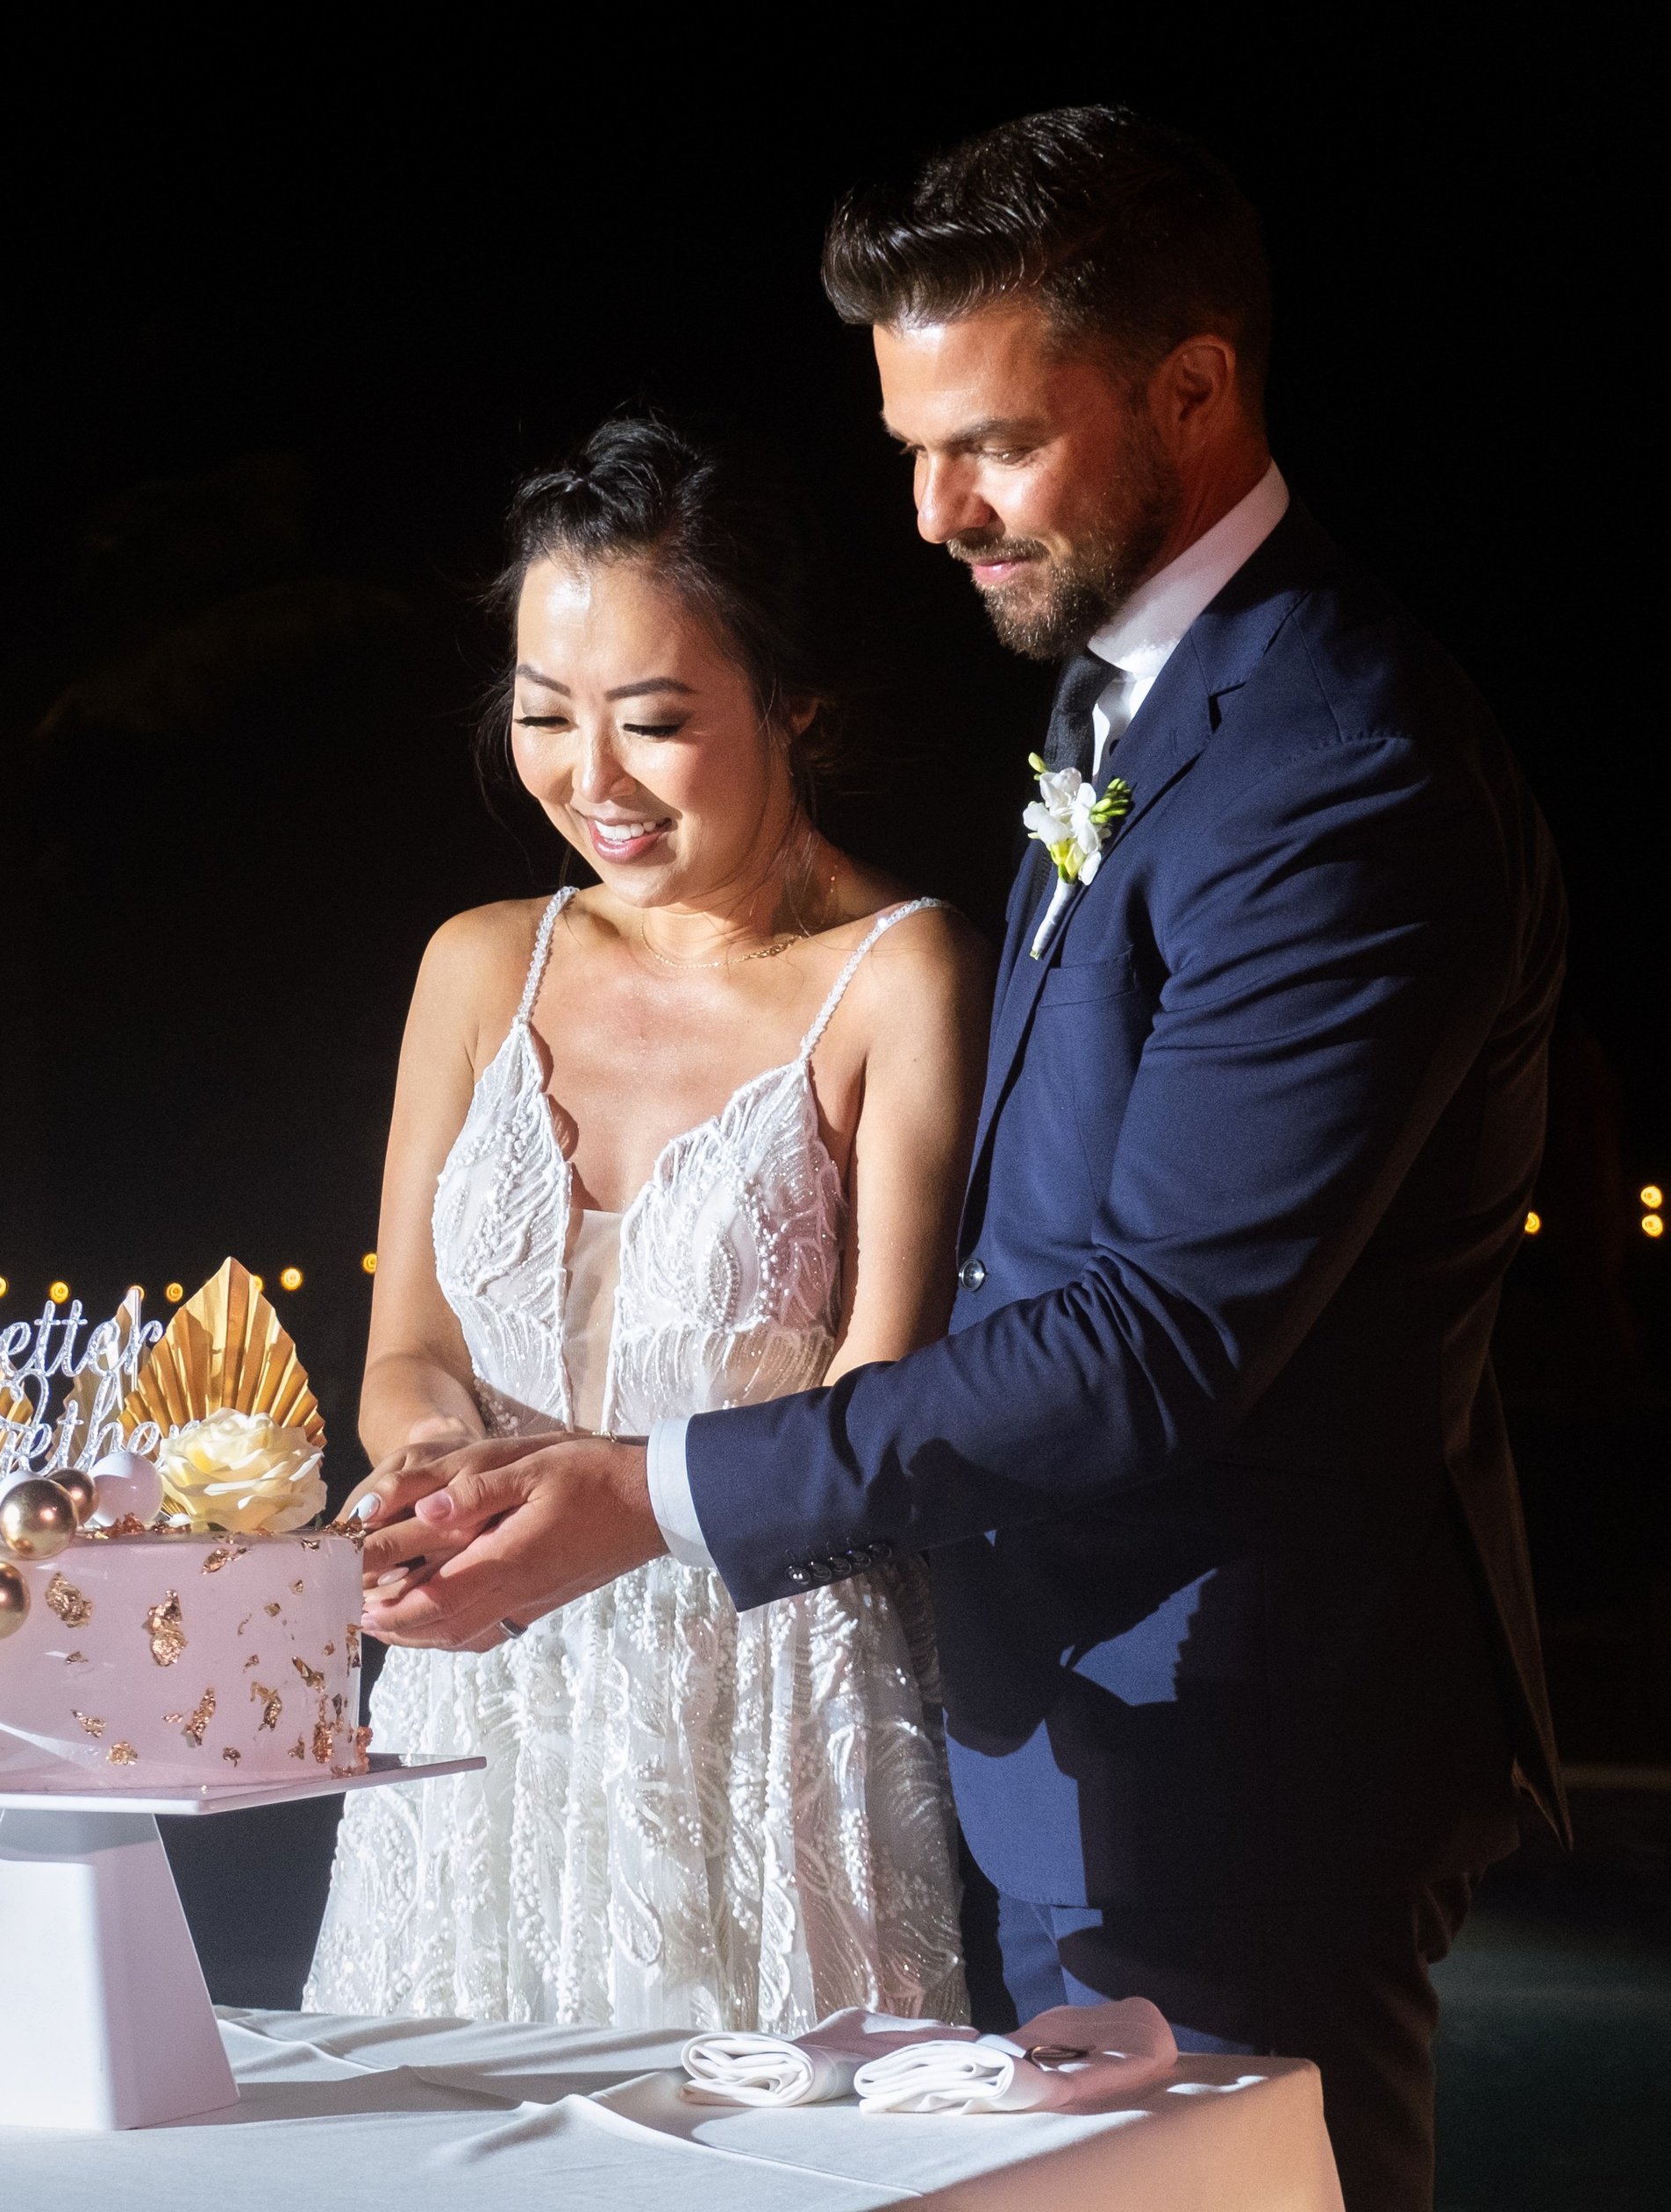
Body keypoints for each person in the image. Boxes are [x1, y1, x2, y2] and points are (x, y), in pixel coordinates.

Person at [354, 111, 1565, 2212]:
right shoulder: (1137, 700)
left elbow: (1152, 1335)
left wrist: (649, 1488)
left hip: (1233, 1744)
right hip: (1044, 1719)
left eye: (988, 442)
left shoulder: (1339, 767)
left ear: (1190, 387)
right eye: (910, 447)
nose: (931, 513)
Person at [304, 417, 989, 2030]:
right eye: (546, 717)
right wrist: (427, 1470)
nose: (589, 779)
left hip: (760, 1705)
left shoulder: (903, 974)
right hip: (480, 1689)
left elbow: (888, 1404)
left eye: (656, 722)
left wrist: (619, 1502)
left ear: (794, 703)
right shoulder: (478, 963)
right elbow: (408, 1347)